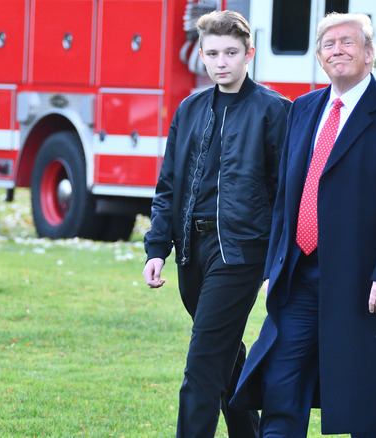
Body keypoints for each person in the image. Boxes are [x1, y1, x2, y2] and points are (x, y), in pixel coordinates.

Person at [229, 12, 376, 438]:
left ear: (370, 53)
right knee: (281, 387)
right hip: (299, 278)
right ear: (320, 57)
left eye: (348, 42)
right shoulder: (303, 109)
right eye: (328, 44)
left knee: (368, 403)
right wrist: (274, 266)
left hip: (366, 284)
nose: (337, 50)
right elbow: (287, 194)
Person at [142, 10, 290, 438]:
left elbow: (285, 192)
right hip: (192, 251)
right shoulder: (188, 109)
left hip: (241, 252)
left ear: (249, 54)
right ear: (201, 56)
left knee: (203, 362)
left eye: (230, 52)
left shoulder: (274, 110)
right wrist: (157, 249)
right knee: (223, 351)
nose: (221, 61)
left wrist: (276, 261)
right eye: (212, 53)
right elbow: (168, 183)